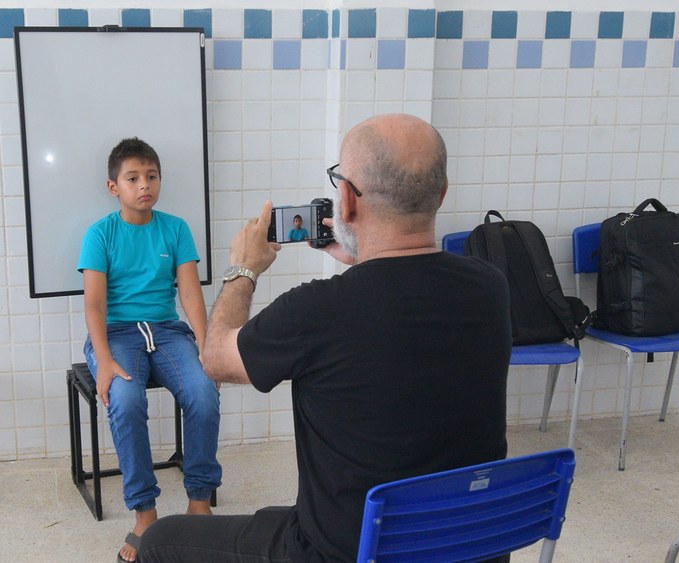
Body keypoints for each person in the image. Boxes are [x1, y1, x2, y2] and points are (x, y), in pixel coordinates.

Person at [139, 114, 512, 562]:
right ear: (442, 193)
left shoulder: (316, 310)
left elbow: (215, 358)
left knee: (160, 541)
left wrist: (243, 269)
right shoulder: (490, 286)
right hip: (471, 547)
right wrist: (364, 259)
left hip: (344, 552)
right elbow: (406, 297)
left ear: (348, 203)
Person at [78, 137, 222, 563]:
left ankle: (200, 501)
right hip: (118, 333)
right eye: (134, 178)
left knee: (202, 392)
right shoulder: (99, 234)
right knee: (124, 399)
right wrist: (103, 360)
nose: (145, 185)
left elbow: (191, 293)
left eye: (152, 176)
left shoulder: (175, 228)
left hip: (166, 331)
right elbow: (94, 303)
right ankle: (145, 512)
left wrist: (207, 345)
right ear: (113, 187)